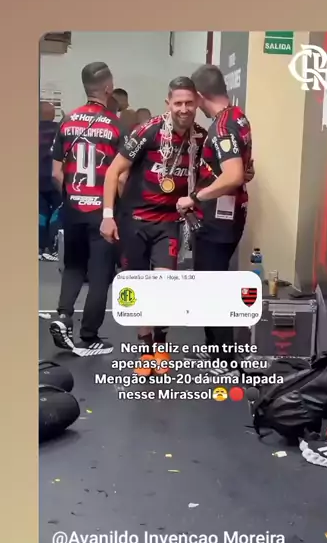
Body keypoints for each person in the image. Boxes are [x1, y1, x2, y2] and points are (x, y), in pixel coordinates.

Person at [100, 77, 206, 374]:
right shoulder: (148, 131)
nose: (184, 109)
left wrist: (244, 171)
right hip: (134, 221)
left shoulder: (200, 137)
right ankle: (145, 350)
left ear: (197, 103)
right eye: (178, 103)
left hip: (168, 223)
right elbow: (114, 172)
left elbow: (215, 171)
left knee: (164, 287)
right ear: (168, 103)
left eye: (189, 103)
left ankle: (161, 344)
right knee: (140, 288)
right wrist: (108, 215)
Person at [176, 64, 253, 374]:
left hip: (219, 219)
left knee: (212, 288)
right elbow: (244, 170)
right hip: (229, 214)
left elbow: (233, 175)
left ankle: (224, 359)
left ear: (199, 94)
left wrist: (194, 197)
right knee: (210, 283)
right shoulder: (238, 117)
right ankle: (215, 352)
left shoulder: (222, 127)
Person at [49, 62, 121, 356]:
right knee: (101, 273)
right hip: (103, 211)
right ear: (108, 88)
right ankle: (89, 335)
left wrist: (70, 198)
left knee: (74, 265)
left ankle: (63, 316)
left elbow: (56, 173)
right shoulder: (115, 125)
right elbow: (121, 176)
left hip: (74, 207)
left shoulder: (67, 122)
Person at [39, 101, 62, 260]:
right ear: (54, 115)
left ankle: (39, 247)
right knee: (57, 212)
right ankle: (54, 247)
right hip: (55, 178)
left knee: (40, 213)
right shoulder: (60, 130)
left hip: (37, 180)